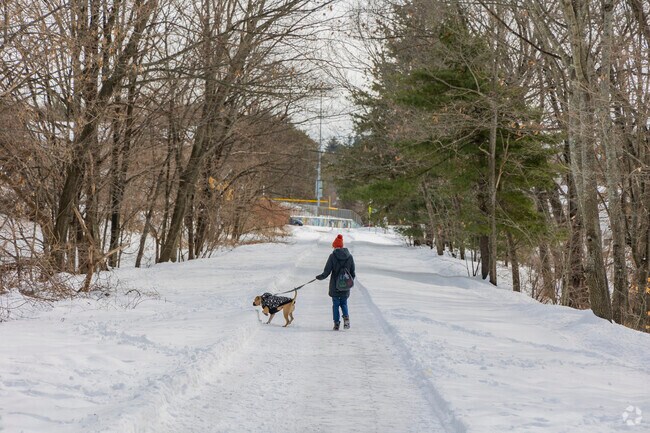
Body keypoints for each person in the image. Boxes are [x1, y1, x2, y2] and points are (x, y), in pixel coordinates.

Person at [316, 234, 356, 330]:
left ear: (334, 246)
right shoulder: (350, 257)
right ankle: (346, 318)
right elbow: (353, 273)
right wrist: (348, 282)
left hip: (335, 286)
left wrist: (319, 277)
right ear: (342, 246)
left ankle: (336, 323)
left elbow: (327, 272)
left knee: (335, 304)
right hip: (346, 285)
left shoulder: (332, 256)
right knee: (344, 303)